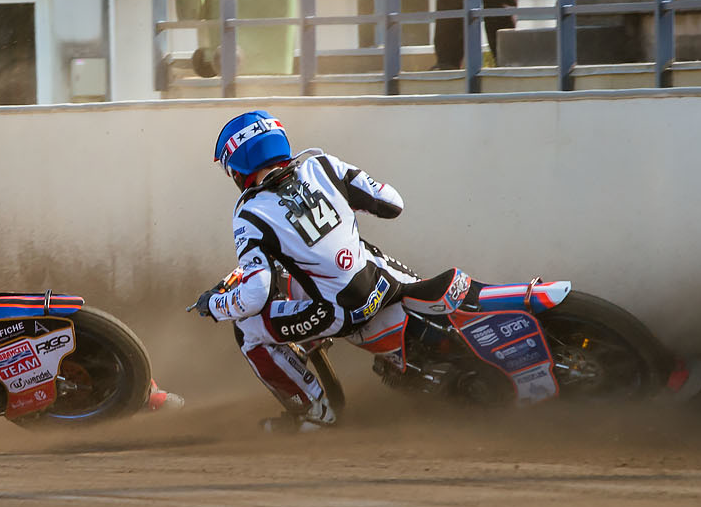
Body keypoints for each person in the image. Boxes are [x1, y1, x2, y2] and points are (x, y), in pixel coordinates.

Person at [190, 110, 543, 432]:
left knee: (247, 329)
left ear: (238, 166)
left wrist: (215, 305)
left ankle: (316, 413)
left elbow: (254, 295)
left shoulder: (249, 213)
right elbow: (392, 204)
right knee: (373, 255)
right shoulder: (322, 164)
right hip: (381, 281)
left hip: (339, 310)